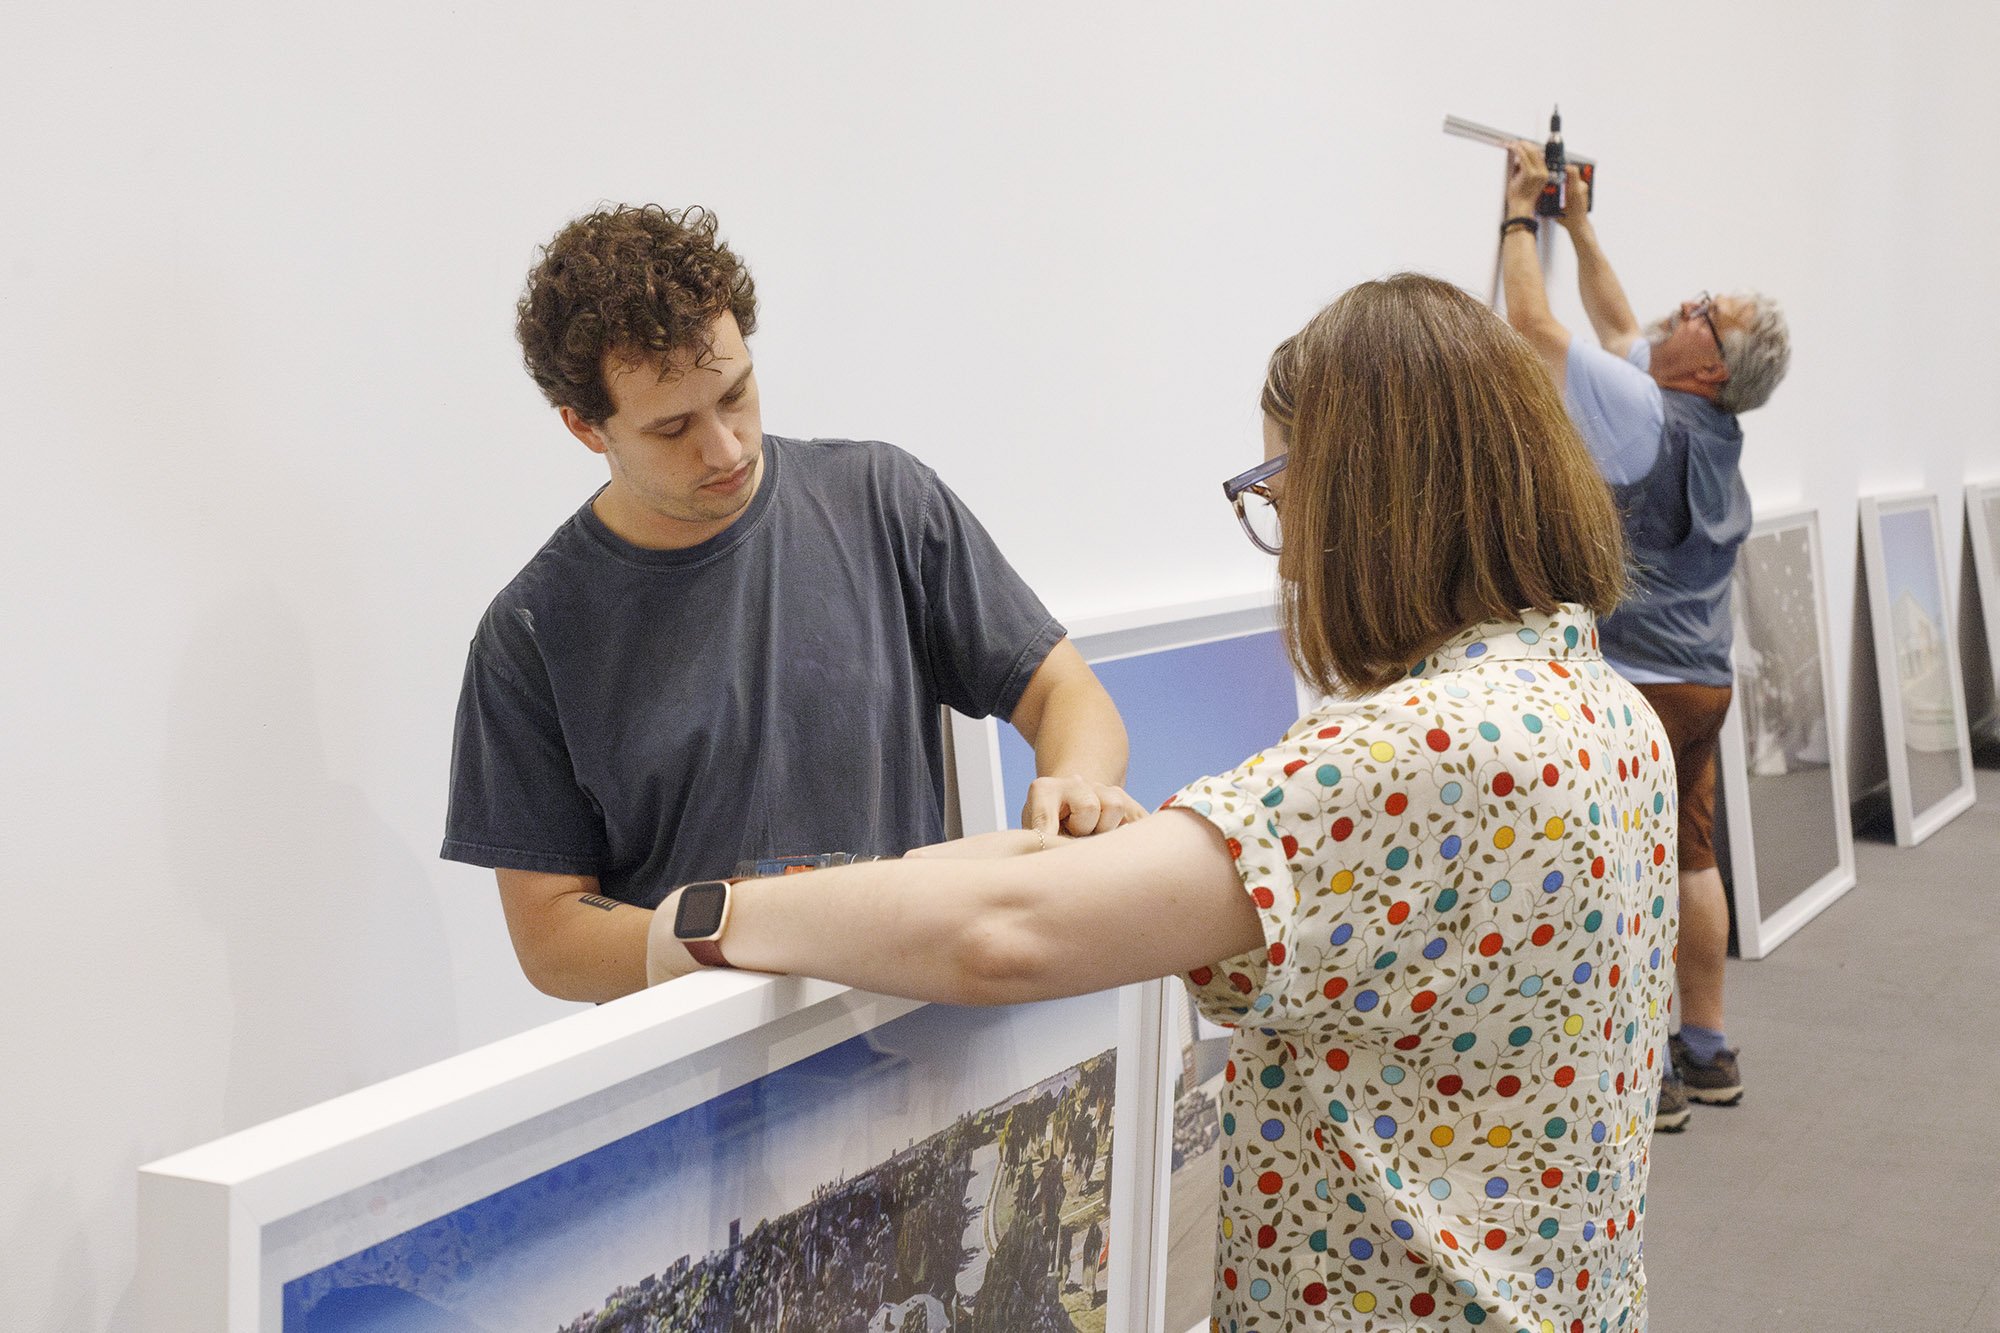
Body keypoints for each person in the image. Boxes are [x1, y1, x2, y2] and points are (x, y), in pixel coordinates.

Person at [644, 274, 1677, 1333]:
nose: (1288, 541)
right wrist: (1154, 861)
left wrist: (714, 914)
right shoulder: (1600, 709)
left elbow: (1004, 936)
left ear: (1367, 498)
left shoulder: (1414, 752)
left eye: (1279, 493)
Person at [443, 204, 1145, 1003]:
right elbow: (553, 934)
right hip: (710, 1086)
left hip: (921, 1030)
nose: (726, 447)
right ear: (583, 427)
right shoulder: (532, 634)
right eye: (673, 429)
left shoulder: (883, 502)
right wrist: (748, 927)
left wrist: (1078, 789)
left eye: (736, 394)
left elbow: (1066, 694)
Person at [1497, 141, 1792, 1131]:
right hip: (1700, 684)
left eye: (1704, 312)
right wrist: (1577, 222)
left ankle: (1643, 1075)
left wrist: (1516, 216)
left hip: (1629, 682)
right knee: (1690, 861)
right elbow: (1620, 323)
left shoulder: (1637, 415)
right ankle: (1703, 1051)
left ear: (1707, 362)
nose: (1687, 303)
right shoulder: (1704, 421)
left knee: (1617, 870)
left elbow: (1533, 326)